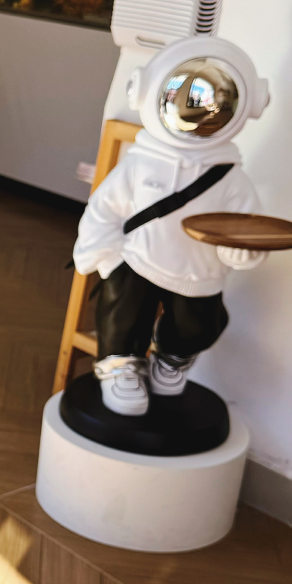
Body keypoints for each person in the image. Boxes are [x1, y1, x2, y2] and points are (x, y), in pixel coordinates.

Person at [72, 36, 270, 417]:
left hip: (198, 270)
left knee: (198, 323)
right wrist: (103, 255)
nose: (198, 112)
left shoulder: (229, 178)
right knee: (122, 314)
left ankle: (173, 357)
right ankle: (120, 364)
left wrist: (240, 251)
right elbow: (105, 206)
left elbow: (242, 229)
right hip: (138, 259)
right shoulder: (141, 163)